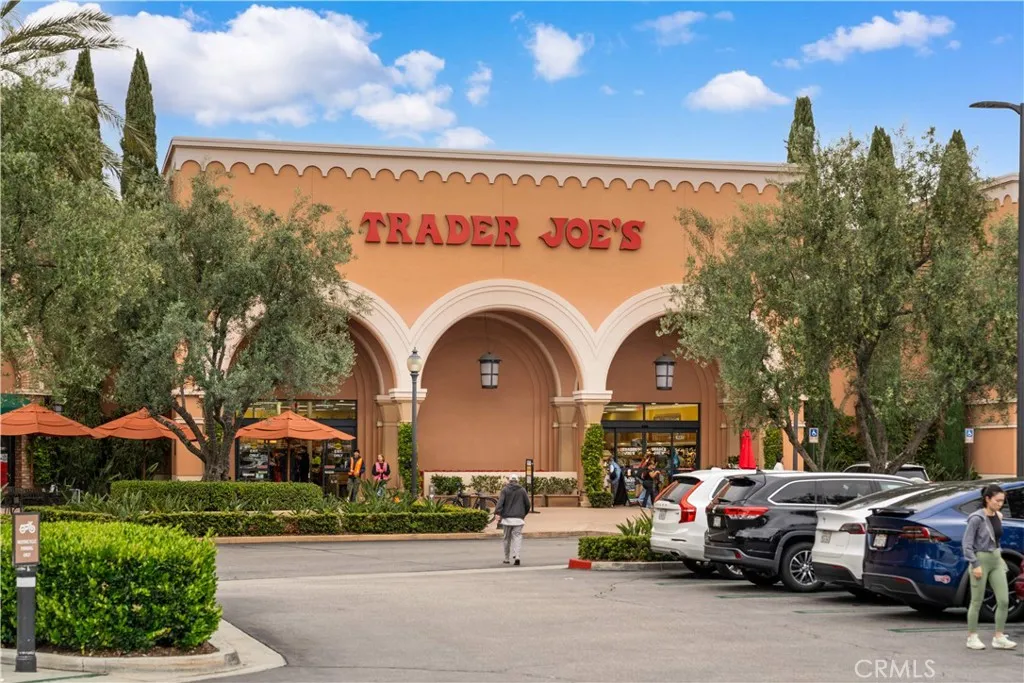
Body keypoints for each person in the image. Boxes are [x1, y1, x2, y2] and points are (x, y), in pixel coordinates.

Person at [963, 483, 1016, 650]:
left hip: (996, 559)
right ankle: (972, 637)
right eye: (997, 500)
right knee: (976, 601)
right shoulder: (976, 518)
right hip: (980, 559)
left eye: (1002, 501)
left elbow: (996, 539)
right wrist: (975, 564)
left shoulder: (998, 516)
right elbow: (967, 545)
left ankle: (999, 636)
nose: (1000, 504)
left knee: (1004, 600)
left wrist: (1000, 558)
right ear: (987, 499)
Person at [494, 474, 531, 566]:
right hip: (518, 519)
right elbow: (527, 504)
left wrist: (497, 512)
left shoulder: (505, 490)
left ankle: (506, 558)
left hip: (507, 519)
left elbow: (500, 503)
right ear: (517, 481)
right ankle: (517, 556)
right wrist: (523, 514)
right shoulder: (522, 490)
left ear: (509, 481)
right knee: (517, 537)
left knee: (506, 538)